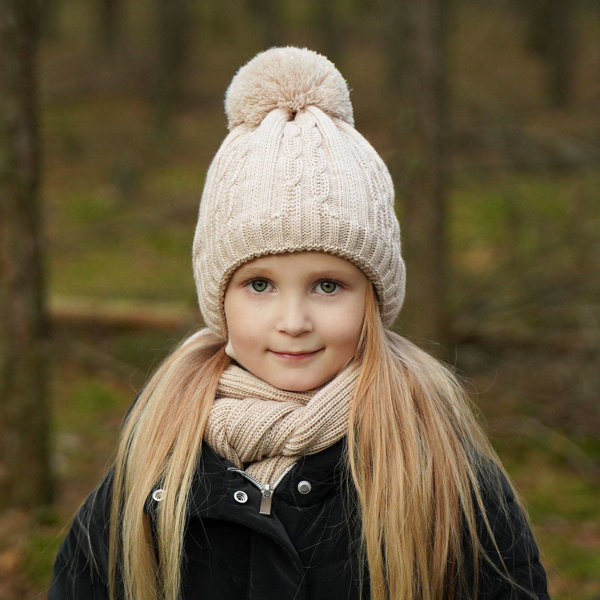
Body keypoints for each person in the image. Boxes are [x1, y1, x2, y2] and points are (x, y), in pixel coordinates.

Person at [49, 47, 550, 600]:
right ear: (220, 300)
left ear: (374, 300)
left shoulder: (443, 473)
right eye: (259, 285)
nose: (293, 322)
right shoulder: (151, 467)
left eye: (328, 286)